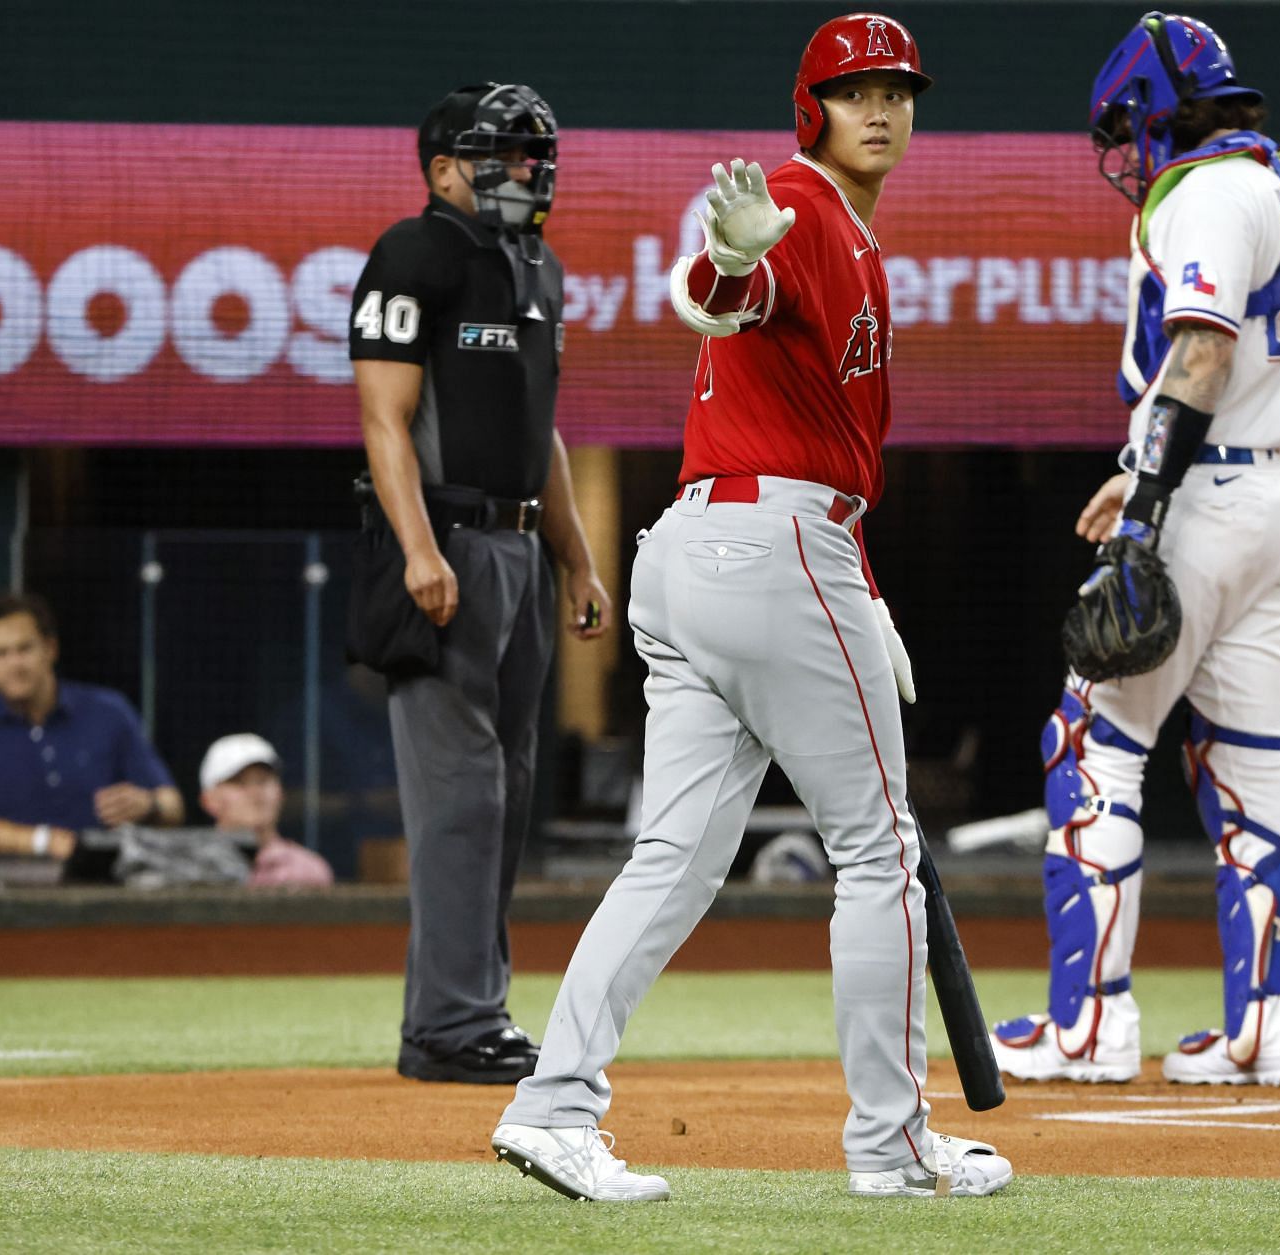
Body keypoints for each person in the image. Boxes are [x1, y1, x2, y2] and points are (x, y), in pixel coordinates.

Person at [493, 13, 1011, 1203]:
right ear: (811, 105)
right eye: (853, 90)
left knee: (673, 855)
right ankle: (890, 1146)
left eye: (896, 89)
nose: (879, 107)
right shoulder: (798, 199)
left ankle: (553, 1106)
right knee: (879, 848)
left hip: (705, 550)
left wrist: (864, 591)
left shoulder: (855, 231)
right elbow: (718, 286)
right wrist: (727, 260)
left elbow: (817, 433)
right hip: (773, 546)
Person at [988, 11, 1280, 1088]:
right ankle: (1273, 1026)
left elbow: (1196, 352)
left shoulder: (1205, 192)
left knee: (1089, 742)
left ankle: (1089, 1025)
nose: (1126, 151)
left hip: (1204, 500)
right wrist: (1148, 468)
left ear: (1158, 111)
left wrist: (1146, 504)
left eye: (1129, 127)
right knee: (1252, 760)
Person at [348, 83, 613, 1086]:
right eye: (503, 155)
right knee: (460, 793)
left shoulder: (536, 265)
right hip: (446, 540)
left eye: (536, 155)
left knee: (503, 795)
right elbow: (384, 418)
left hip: (519, 547)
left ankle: (460, 1017)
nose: (526, 173)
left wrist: (578, 559)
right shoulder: (412, 252)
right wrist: (419, 548)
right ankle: (457, 1025)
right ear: (444, 170)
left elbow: (537, 425)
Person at [0, 590, 182, 861]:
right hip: (8, 889)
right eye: (0, 654)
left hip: (108, 884)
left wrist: (149, 805)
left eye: (25, 648)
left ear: (50, 649)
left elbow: (173, 805)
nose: (15, 664)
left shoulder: (108, 712)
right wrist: (44, 841)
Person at [197, 733, 334, 887]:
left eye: (263, 781)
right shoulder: (190, 865)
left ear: (280, 792)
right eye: (239, 782)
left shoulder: (310, 871)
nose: (255, 793)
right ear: (208, 800)